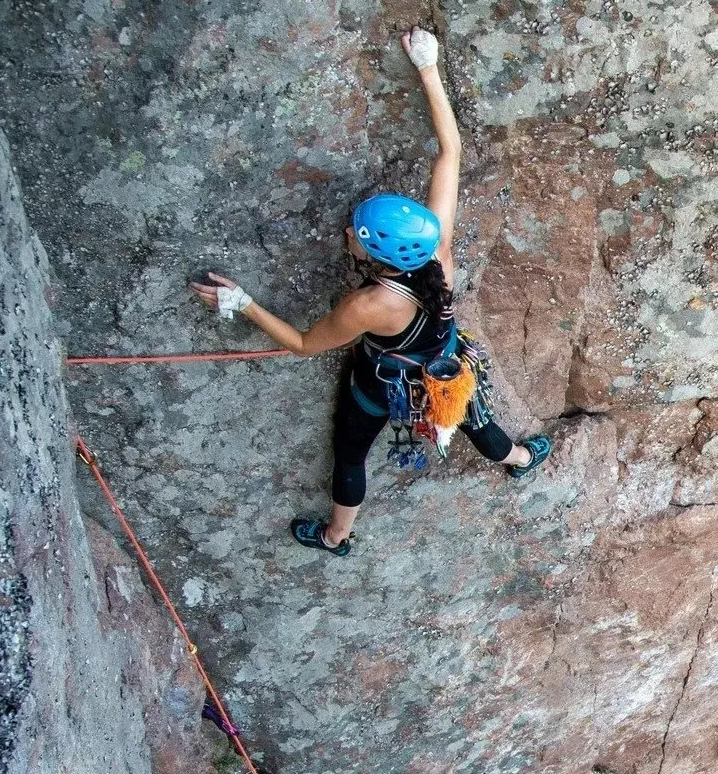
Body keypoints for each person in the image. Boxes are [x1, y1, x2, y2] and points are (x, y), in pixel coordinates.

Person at [190, 28, 552, 556]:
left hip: (384, 385)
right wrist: (428, 67)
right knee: (474, 419)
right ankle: (519, 460)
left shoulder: (371, 304)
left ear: (378, 257)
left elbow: (304, 344)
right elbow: (450, 153)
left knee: (351, 452)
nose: (346, 233)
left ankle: (338, 535)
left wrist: (242, 303)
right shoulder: (438, 249)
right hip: (448, 363)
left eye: (355, 236)